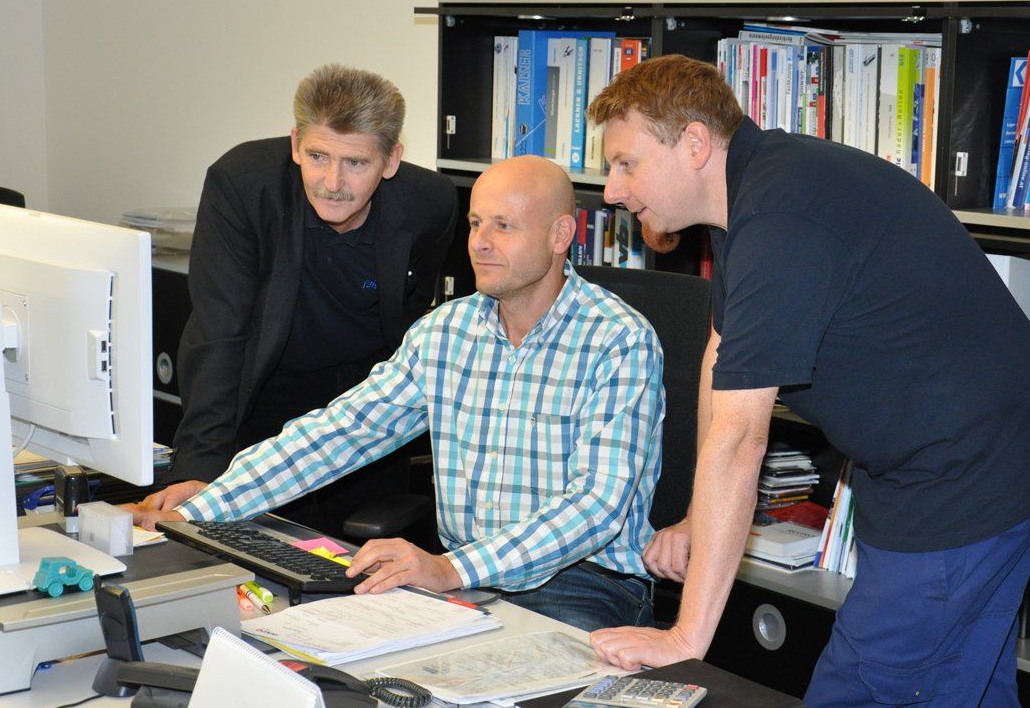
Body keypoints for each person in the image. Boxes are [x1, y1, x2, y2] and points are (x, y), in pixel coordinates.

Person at [585, 54, 1030, 708]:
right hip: (964, 464)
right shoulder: (753, 192)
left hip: (966, 478)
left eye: (626, 164)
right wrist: (700, 518)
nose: (611, 190)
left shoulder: (781, 216)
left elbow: (741, 437)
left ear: (694, 143)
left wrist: (685, 637)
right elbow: (721, 354)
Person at [131, 156, 665, 632]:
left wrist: (450, 568)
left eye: (503, 226)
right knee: (334, 656)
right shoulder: (447, 330)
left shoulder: (618, 339)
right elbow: (341, 432)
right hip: (468, 578)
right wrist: (200, 512)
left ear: (560, 234)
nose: (479, 243)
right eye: (475, 223)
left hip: (581, 583)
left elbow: (596, 506)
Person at [148, 64, 459, 537]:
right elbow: (219, 332)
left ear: (391, 159)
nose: (332, 181)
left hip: (363, 414)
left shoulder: (430, 203)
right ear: (295, 144)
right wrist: (199, 466)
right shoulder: (244, 185)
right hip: (262, 398)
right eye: (317, 156)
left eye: (356, 163)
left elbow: (413, 334)